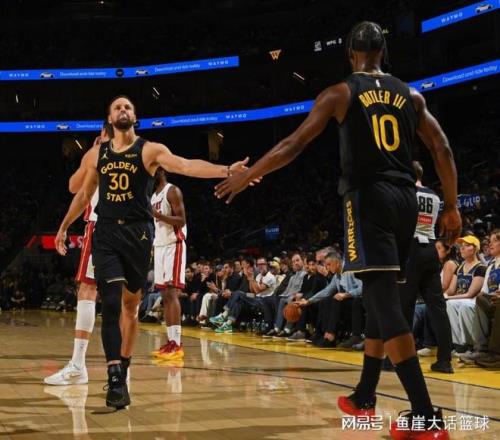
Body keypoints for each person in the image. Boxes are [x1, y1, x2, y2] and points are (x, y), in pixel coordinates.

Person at [215, 22, 461, 439]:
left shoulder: (341, 92)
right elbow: (442, 148)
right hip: (405, 200)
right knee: (380, 297)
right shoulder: (411, 95)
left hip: (368, 199)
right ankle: (365, 394)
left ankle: (425, 416)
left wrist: (248, 175)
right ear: (383, 53)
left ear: (350, 54)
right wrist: (451, 206)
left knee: (384, 304)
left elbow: (293, 144)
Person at [55, 95, 251, 408]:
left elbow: (186, 165)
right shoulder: (97, 154)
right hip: (106, 233)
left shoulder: (150, 150)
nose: (123, 109)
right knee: (110, 302)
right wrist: (64, 226)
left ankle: (124, 365)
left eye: (128, 107)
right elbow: (82, 194)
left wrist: (226, 169)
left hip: (138, 235)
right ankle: (114, 378)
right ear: (109, 118)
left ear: (135, 117)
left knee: (130, 307)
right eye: (117, 107)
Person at [45, 122, 113, 386]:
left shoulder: (99, 152)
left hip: (103, 225)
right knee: (125, 299)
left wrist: (90, 155)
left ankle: (78, 365)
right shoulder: (141, 151)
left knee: (88, 290)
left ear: (104, 133)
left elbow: (75, 188)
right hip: (134, 230)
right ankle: (122, 369)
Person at [399, 161, 453, 373]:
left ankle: (401, 358)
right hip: (430, 248)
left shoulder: (406, 192)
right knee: (438, 307)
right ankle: (445, 360)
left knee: (405, 306)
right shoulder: (434, 195)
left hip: (411, 249)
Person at [150, 168, 187, 360]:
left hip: (174, 244)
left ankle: (177, 344)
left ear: (162, 170)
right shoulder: (153, 196)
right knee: (164, 295)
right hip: (160, 246)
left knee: (172, 293)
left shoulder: (172, 191)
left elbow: (181, 220)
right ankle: (171, 341)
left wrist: (157, 215)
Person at [445, 235, 486, 353]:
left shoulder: (481, 268)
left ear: (475, 249)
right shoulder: (459, 268)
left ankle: (470, 343)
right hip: (460, 299)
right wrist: (443, 296)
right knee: (449, 304)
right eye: (461, 246)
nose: (462, 248)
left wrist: (448, 297)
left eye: (467, 246)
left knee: (459, 304)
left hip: (473, 300)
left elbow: (470, 294)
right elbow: (451, 290)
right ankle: (458, 343)